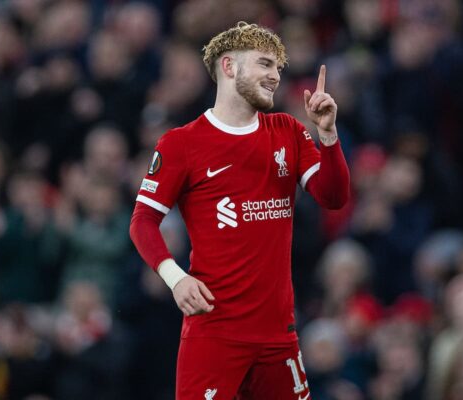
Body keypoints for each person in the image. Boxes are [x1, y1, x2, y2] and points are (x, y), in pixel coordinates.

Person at [129, 22, 350, 399]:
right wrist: (175, 278)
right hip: (214, 333)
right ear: (229, 67)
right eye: (265, 64)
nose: (275, 76)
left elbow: (333, 197)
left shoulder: (289, 131)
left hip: (278, 336)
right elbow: (143, 221)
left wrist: (327, 134)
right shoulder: (183, 143)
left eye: (278, 68)